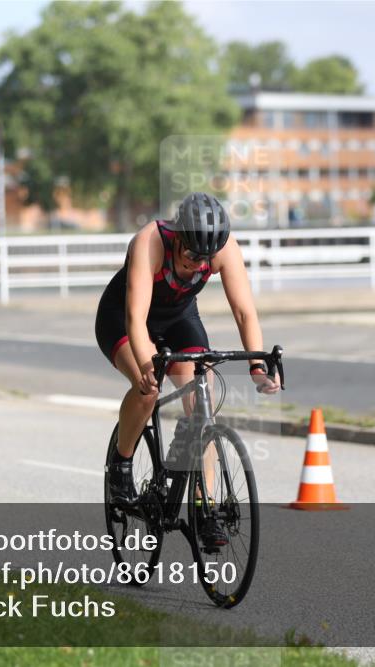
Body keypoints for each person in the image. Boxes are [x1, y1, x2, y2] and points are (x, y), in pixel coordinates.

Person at [95, 192, 280, 543]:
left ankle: (203, 507)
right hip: (124, 318)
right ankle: (121, 464)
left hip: (179, 318)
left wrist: (258, 365)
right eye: (193, 254)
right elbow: (136, 318)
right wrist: (149, 366)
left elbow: (244, 312)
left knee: (202, 407)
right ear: (178, 238)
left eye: (206, 257)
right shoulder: (150, 241)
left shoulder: (223, 249)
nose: (199, 263)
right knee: (147, 389)